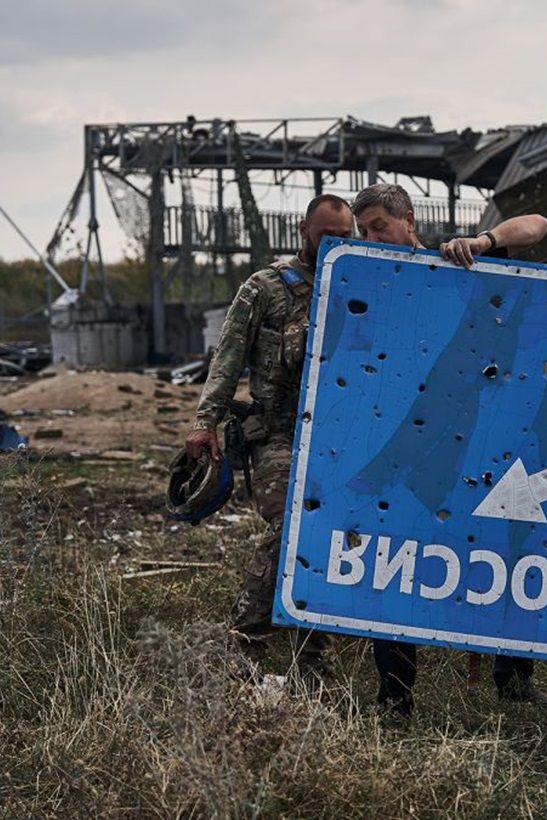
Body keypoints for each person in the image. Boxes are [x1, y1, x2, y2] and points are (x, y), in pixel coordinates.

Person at [350, 182, 547, 715]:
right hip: (408, 443)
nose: (371, 239)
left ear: (409, 222)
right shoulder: (360, 282)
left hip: (483, 435)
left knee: (504, 553)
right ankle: (395, 697)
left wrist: (483, 242)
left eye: (379, 227)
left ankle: (513, 679)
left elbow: (538, 225)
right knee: (395, 561)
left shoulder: (456, 264)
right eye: (363, 231)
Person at [186, 194, 355, 686]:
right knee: (289, 525)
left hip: (336, 437)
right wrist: (205, 421)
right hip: (277, 431)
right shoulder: (264, 288)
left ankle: (312, 657)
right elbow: (228, 357)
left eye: (345, 236)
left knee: (324, 538)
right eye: (327, 235)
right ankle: (245, 638)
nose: (336, 244)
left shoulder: (362, 283)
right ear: (304, 230)